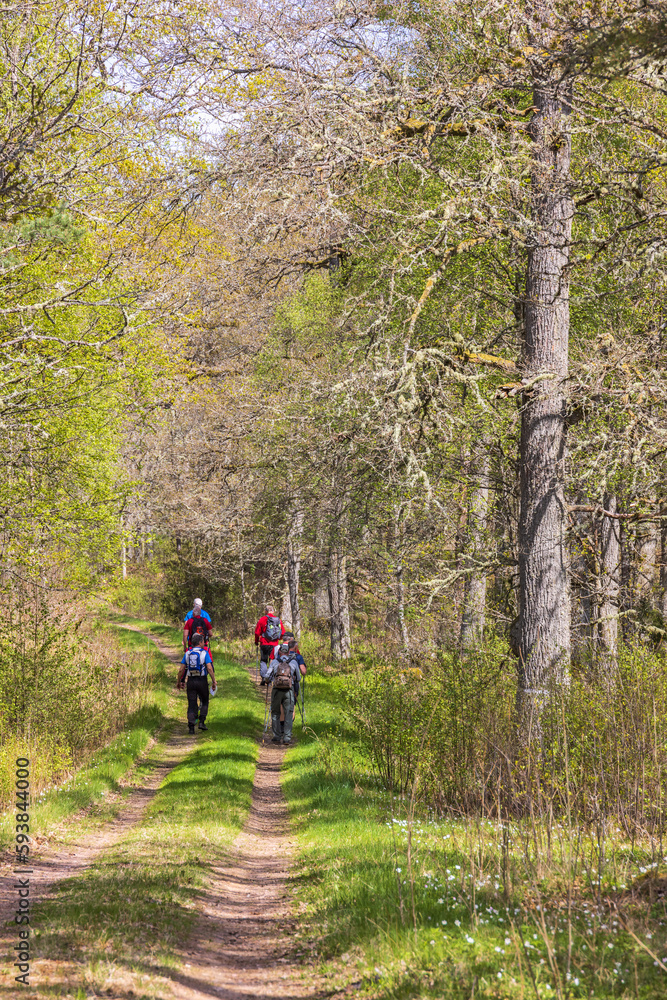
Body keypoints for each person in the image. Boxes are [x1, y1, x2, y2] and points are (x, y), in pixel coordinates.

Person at [265, 642, 306, 745]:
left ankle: (277, 737)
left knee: (275, 713)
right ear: (288, 652)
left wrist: (267, 681)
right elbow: (299, 678)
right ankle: (287, 738)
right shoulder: (293, 662)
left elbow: (267, 676)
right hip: (289, 691)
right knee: (288, 713)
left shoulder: (274, 662)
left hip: (276, 690)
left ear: (279, 651)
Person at [176, 632, 216, 734]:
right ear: (200, 642)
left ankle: (191, 727)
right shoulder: (204, 653)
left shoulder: (187, 653)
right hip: (202, 680)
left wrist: (179, 681)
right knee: (205, 700)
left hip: (191, 681)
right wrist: (213, 681)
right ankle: (202, 722)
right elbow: (209, 668)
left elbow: (181, 669)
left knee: (192, 703)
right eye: (203, 641)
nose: (204, 643)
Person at [254, 604, 285, 682]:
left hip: (264, 643)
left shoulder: (262, 619)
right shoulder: (278, 620)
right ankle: (270, 678)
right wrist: (278, 639)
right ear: (273, 611)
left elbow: (257, 632)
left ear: (266, 611)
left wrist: (256, 641)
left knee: (263, 660)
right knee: (273, 660)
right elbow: (283, 633)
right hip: (274, 645)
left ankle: (264, 677)